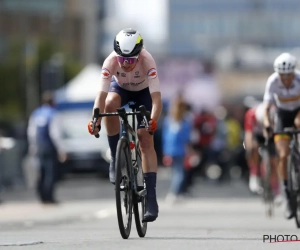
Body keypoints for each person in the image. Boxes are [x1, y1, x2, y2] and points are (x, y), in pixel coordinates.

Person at [87, 28, 162, 222]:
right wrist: (96, 119)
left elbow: (156, 100)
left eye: (130, 60)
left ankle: (151, 198)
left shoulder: (147, 60)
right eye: (122, 59)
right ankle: (115, 157)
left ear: (139, 54)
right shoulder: (110, 61)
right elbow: (100, 97)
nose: (126, 64)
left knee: (145, 139)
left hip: (143, 93)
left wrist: (152, 121)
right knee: (110, 104)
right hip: (120, 89)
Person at [263, 52, 300, 219]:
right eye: (282, 75)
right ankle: (287, 194)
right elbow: (267, 107)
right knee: (283, 155)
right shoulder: (272, 81)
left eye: (288, 75)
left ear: (294, 72)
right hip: (282, 114)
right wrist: (266, 124)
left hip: (299, 112)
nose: (285, 79)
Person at [27, 91, 60, 204]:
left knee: (41, 172)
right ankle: (49, 197)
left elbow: (32, 132)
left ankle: (42, 196)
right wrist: (61, 149)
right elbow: (55, 134)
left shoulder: (36, 113)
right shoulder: (53, 114)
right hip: (49, 146)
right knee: (50, 173)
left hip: (39, 146)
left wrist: (33, 146)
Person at [244, 102, 278, 196]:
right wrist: (249, 150)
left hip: (270, 134)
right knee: (252, 146)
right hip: (256, 135)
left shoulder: (275, 113)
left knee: (274, 160)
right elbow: (248, 134)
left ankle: (276, 189)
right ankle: (254, 175)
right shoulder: (251, 114)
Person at [162, 94, 191, 203]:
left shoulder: (169, 120)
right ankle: (174, 192)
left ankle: (176, 192)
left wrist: (165, 151)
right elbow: (186, 138)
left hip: (170, 150)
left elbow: (165, 137)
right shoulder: (185, 122)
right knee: (179, 173)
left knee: (175, 172)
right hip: (180, 150)